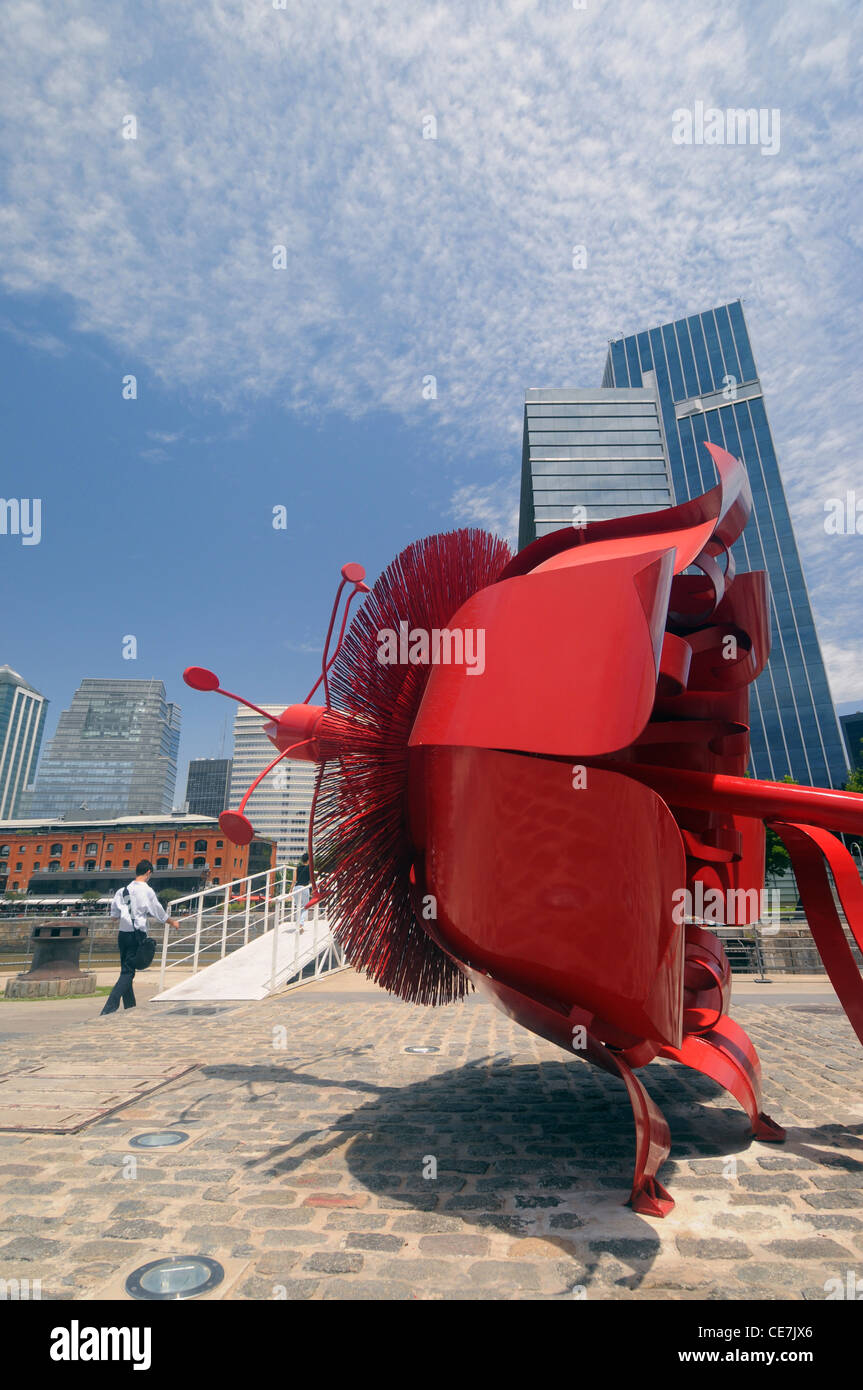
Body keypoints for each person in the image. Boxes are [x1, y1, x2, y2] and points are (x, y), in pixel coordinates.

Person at [100, 860, 179, 1015]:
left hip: (123, 934)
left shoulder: (122, 891)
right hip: (138, 934)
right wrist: (172, 922)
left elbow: (114, 916)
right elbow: (158, 911)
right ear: (148, 872)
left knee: (126, 969)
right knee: (128, 973)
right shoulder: (147, 891)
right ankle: (109, 1008)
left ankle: (130, 1007)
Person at [290, 852, 312, 926]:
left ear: (302, 860)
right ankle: (301, 923)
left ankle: (297, 923)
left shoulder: (297, 868)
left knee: (298, 907)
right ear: (309, 860)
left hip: (296, 888)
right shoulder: (310, 868)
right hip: (304, 888)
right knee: (306, 906)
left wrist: (290, 891)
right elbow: (311, 880)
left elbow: (294, 880)